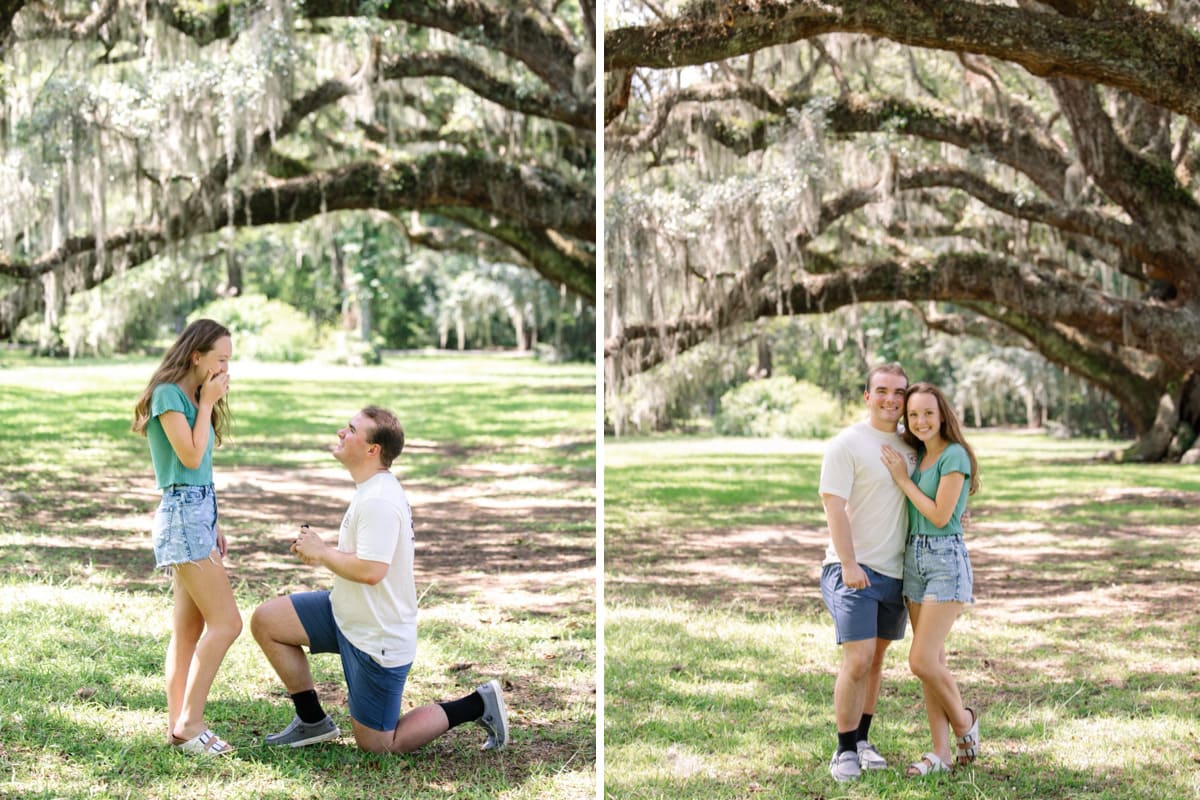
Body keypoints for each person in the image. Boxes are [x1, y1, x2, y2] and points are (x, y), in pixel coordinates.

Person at [250, 406, 509, 754]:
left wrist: (322, 552)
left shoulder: (379, 500)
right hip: (343, 613)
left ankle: (477, 704)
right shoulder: (370, 489)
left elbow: (372, 571)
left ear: (373, 450)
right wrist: (320, 549)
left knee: (379, 745)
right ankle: (312, 721)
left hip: (377, 639)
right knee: (267, 620)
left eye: (351, 430)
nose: (341, 433)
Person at [131, 318, 241, 756]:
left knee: (188, 628)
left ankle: (178, 726)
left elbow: (199, 472)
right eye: (221, 359)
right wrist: (209, 402)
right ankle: (188, 724)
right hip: (182, 516)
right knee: (228, 623)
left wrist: (216, 522)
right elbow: (190, 455)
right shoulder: (168, 395)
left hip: (198, 512)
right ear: (197, 355)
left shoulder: (193, 396)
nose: (226, 369)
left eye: (229, 361)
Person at [818, 363, 916, 782]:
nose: (890, 399)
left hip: (895, 572)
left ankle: (862, 739)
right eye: (882, 391)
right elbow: (833, 506)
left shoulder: (913, 447)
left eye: (898, 392)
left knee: (875, 661)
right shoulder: (847, 444)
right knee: (857, 659)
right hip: (851, 570)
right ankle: (843, 751)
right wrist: (849, 562)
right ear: (867, 396)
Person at [880, 382, 980, 776]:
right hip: (913, 560)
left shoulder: (954, 455)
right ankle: (940, 752)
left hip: (944, 561)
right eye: (914, 414)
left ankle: (964, 724)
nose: (920, 421)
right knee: (931, 661)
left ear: (943, 417)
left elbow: (940, 516)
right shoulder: (917, 455)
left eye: (928, 413)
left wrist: (902, 481)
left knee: (920, 659)